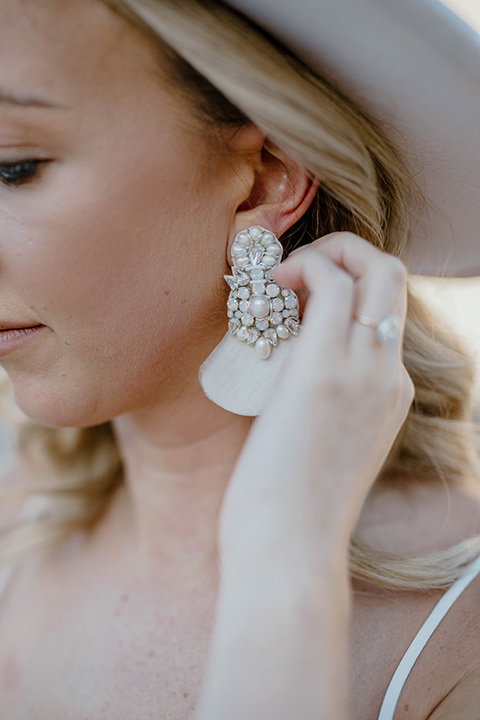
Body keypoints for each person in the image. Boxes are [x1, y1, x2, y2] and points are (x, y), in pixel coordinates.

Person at [0, 0, 479, 718]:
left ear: (263, 180)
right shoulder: (13, 525)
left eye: (15, 167)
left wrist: (285, 557)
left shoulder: (456, 635)